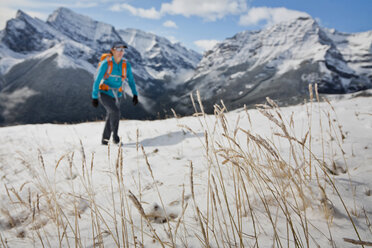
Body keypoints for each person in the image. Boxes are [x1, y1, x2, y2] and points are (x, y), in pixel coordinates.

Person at [91, 41, 139, 145]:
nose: (121, 52)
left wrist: (135, 94)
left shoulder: (126, 65)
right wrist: (94, 97)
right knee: (115, 112)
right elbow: (97, 80)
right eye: (118, 49)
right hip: (105, 93)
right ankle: (115, 138)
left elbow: (131, 80)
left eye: (123, 50)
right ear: (113, 50)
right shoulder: (106, 64)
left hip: (118, 94)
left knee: (111, 115)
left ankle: (104, 141)